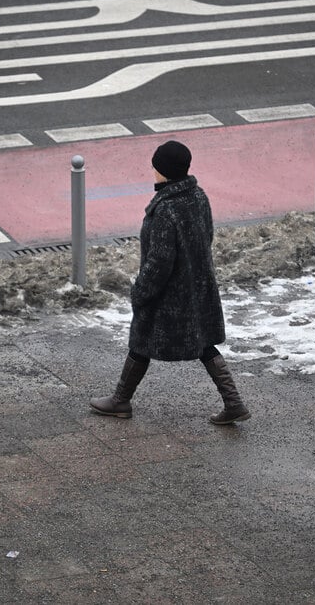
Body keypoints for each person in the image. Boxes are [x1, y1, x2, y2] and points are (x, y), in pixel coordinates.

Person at [90, 140, 251, 425]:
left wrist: (141, 292)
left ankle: (120, 400)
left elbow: (159, 262)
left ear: (163, 171)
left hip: (169, 294)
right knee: (203, 342)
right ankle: (233, 402)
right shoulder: (198, 196)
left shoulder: (166, 209)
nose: (152, 170)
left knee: (142, 339)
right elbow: (207, 237)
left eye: (155, 166)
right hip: (196, 286)